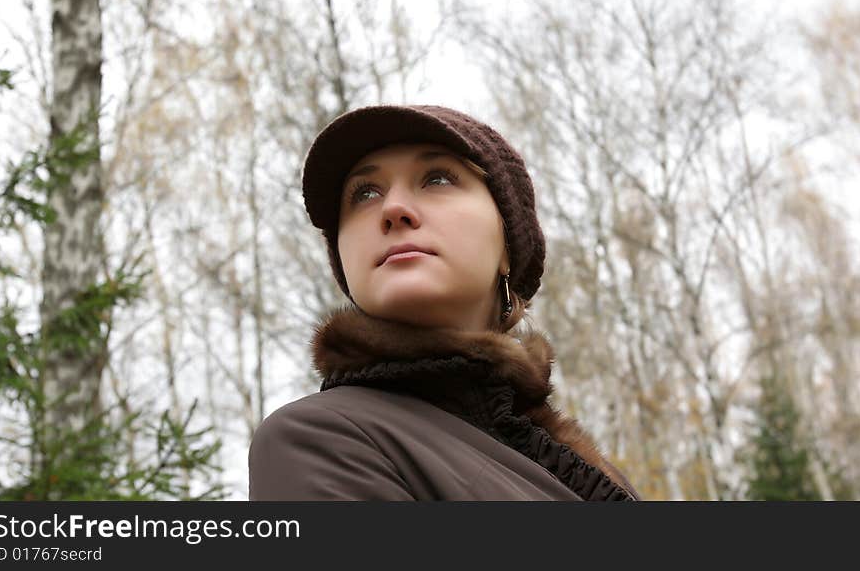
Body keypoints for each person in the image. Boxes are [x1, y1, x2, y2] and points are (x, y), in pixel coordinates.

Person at [248, 105, 641, 500]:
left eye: (436, 179)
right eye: (364, 193)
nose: (393, 209)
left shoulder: (583, 467)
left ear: (508, 247)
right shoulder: (316, 440)